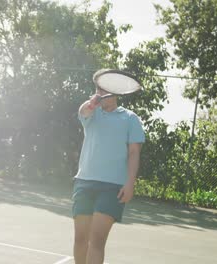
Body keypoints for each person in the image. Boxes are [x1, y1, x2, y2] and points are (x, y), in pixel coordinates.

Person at [72, 70, 145, 263]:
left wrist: (130, 183)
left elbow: (134, 153)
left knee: (96, 241)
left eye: (104, 89)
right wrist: (91, 104)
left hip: (112, 187)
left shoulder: (130, 119)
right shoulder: (91, 112)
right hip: (84, 183)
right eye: (98, 88)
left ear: (115, 92)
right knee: (80, 240)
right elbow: (83, 111)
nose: (100, 92)